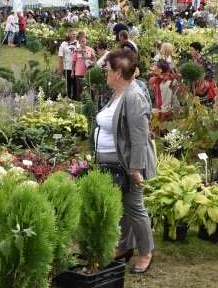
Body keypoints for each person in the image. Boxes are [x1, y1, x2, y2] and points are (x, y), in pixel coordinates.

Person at [95, 49, 156, 274]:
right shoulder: (118, 92)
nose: (105, 73)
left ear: (119, 73)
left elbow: (139, 137)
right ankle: (124, 246)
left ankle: (146, 252)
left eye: (108, 70)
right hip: (112, 163)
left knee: (135, 208)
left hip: (127, 164)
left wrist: (135, 169)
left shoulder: (133, 96)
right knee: (123, 208)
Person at [71, 32, 96, 100]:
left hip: (88, 72)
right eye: (82, 41)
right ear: (79, 42)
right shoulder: (76, 51)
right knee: (79, 88)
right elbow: (73, 62)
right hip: (79, 72)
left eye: (84, 41)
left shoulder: (90, 49)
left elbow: (94, 59)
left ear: (86, 41)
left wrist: (92, 62)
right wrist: (72, 71)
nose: (83, 43)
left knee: (90, 87)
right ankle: (80, 101)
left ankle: (92, 101)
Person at [58, 29, 78, 99]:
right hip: (67, 68)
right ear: (69, 35)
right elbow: (60, 57)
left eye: (75, 34)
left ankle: (75, 100)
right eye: (73, 34)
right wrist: (61, 68)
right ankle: (67, 99)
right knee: (68, 86)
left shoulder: (78, 44)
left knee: (76, 86)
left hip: (77, 68)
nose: (75, 36)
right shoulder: (63, 44)